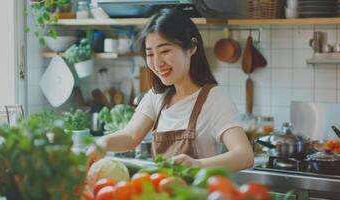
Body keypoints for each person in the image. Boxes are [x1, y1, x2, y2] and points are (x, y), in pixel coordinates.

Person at [87, 9, 254, 171]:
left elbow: (244, 156)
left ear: (191, 48)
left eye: (165, 51)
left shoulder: (214, 99)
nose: (157, 63)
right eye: (150, 54)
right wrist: (103, 143)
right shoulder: (156, 97)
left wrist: (197, 165)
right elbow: (131, 137)